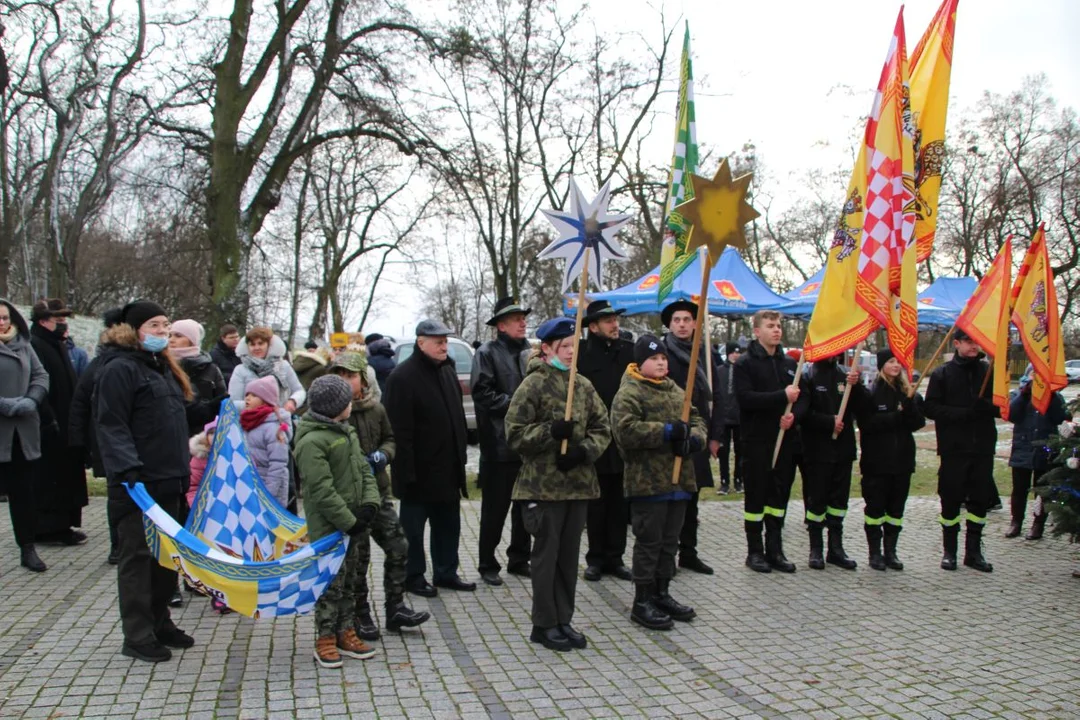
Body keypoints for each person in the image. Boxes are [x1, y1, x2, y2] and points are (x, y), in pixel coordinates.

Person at [94, 299, 196, 662]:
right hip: (138, 485)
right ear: (134, 330)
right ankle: (137, 635)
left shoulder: (161, 367)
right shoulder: (120, 369)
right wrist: (128, 470)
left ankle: (160, 622)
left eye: (166, 324)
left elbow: (174, 418)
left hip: (170, 480)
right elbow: (111, 424)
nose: (163, 331)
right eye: (154, 325)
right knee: (137, 559)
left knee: (165, 557)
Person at [505, 317, 610, 652]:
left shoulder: (583, 385)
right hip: (543, 486)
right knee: (546, 558)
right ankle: (544, 622)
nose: (570, 353)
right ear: (547, 348)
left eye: (574, 347)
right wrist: (550, 433)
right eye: (564, 347)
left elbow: (602, 428)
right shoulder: (533, 385)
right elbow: (515, 433)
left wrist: (582, 451)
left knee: (568, 558)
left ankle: (564, 618)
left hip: (577, 484)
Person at [327, 353, 430, 639]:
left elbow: (390, 438)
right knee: (359, 561)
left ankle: (395, 607)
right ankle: (360, 614)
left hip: (379, 493)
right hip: (352, 501)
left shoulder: (376, 409)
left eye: (351, 376)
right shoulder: (331, 414)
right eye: (340, 376)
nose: (346, 382)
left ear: (363, 379)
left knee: (398, 546)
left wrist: (384, 455)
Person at [611, 335, 705, 630]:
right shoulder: (630, 393)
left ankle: (662, 592)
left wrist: (692, 440)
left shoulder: (676, 389)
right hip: (648, 481)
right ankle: (642, 600)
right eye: (654, 359)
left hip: (679, 482)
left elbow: (698, 419)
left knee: (669, 542)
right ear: (641, 363)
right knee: (649, 542)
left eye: (663, 358)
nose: (661, 362)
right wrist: (665, 432)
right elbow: (625, 430)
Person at [293, 374, 381, 668]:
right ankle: (325, 637)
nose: (351, 405)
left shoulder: (346, 432)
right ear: (335, 407)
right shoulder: (312, 442)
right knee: (330, 584)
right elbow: (320, 491)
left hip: (354, 523)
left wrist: (370, 503)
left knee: (350, 581)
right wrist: (348, 521)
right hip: (330, 528)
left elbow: (363, 469)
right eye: (346, 402)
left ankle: (346, 630)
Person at [384, 320, 474, 597]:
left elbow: (457, 418)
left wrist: (461, 457)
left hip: (447, 468)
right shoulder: (402, 377)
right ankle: (413, 577)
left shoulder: (447, 372)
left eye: (445, 341)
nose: (444, 346)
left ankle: (446, 572)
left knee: (448, 525)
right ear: (420, 343)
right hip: (418, 472)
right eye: (438, 341)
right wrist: (405, 473)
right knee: (412, 530)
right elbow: (398, 431)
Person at [734, 309, 809, 574]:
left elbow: (802, 399)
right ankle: (754, 552)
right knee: (756, 497)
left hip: (785, 442)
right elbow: (745, 398)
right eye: (770, 326)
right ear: (757, 331)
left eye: (778, 326)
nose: (776, 330)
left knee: (779, 497)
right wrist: (781, 396)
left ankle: (775, 549)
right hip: (756, 441)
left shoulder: (790, 364)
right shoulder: (744, 364)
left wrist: (794, 418)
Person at [923, 328, 998, 572]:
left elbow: (1001, 406)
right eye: (968, 341)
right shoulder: (942, 373)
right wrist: (962, 413)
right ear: (956, 343)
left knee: (979, 501)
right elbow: (931, 408)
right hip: (954, 448)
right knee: (951, 499)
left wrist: (985, 406)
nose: (974, 345)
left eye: (977, 340)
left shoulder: (988, 371)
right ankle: (949, 552)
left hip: (982, 447)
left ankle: (974, 553)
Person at [472, 297, 533, 586]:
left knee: (526, 507)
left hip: (528, 444)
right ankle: (487, 563)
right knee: (495, 510)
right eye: (516, 318)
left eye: (523, 317)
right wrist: (518, 403)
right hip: (499, 445)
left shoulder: (531, 352)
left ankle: (520, 558)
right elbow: (482, 394)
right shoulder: (486, 353)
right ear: (501, 325)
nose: (523, 322)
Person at [659, 300, 723, 575]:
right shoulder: (662, 353)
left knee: (692, 498)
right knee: (669, 499)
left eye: (687, 319)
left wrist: (715, 435)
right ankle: (666, 556)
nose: (682, 324)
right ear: (670, 325)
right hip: (672, 434)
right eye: (677, 320)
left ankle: (689, 553)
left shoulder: (705, 353)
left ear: (696, 324)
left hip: (697, 434)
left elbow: (717, 397)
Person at [576, 299, 634, 582]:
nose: (615, 324)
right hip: (594, 437)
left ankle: (616, 557)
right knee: (596, 503)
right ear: (594, 326)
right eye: (608, 320)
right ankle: (595, 558)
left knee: (619, 503)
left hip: (622, 437)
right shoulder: (581, 356)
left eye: (616, 319)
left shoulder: (628, 352)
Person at [856, 349, 926, 570]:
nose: (896, 366)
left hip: (902, 460)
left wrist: (910, 408)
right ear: (881, 365)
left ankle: (891, 551)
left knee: (896, 510)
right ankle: (874, 553)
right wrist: (896, 417)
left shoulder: (907, 391)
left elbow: (917, 423)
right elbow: (867, 424)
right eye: (891, 361)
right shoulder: (872, 392)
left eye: (899, 362)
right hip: (877, 461)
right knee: (875, 509)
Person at [799, 351, 866, 570]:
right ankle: (815, 549)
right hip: (818, 450)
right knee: (817, 500)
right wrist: (829, 422)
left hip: (843, 449)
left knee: (839, 501)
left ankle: (835, 549)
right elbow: (803, 414)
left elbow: (863, 409)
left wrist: (857, 386)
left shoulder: (846, 375)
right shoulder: (808, 375)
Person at [29, 298, 88, 545]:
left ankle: (64, 523)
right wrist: (48, 417)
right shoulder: (36, 345)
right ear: (43, 322)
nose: (64, 325)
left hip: (66, 423)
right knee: (50, 479)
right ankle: (49, 528)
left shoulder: (57, 345)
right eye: (59, 321)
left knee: (66, 475)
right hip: (48, 424)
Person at [69, 307, 125, 564]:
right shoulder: (102, 363)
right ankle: (118, 545)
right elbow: (80, 402)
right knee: (118, 496)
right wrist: (78, 442)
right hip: (113, 444)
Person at [0, 299, 50, 573]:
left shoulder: (23, 345)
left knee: (24, 494)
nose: (2, 322)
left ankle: (28, 548)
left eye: (6, 317)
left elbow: (41, 376)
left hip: (23, 432)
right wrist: (5, 404)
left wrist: (32, 400)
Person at [1006, 375, 1069, 540]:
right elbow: (1011, 415)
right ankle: (1016, 522)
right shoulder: (1018, 395)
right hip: (1022, 449)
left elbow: (1062, 417)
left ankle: (1038, 524)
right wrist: (1024, 395)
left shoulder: (1055, 397)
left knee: (1041, 491)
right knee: (1019, 489)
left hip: (1045, 451)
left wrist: (1052, 396)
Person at [240, 376, 293, 508]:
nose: (247, 398)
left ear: (266, 400)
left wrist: (268, 495)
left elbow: (278, 464)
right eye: (247, 395)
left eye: (253, 395)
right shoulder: (247, 422)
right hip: (251, 486)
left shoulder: (273, 428)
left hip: (269, 491)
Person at [169, 319, 228, 435]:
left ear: (192, 340)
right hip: (170, 433)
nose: (171, 340)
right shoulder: (162, 365)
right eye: (170, 335)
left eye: (178, 336)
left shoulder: (211, 369)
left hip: (202, 436)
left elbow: (221, 403)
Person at [227, 327, 305, 413]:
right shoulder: (240, 370)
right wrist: (257, 406)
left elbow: (299, 390)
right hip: (250, 422)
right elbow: (233, 402)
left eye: (261, 343)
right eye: (252, 344)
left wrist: (293, 401)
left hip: (281, 419)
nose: (257, 348)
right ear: (247, 347)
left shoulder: (283, 366)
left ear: (269, 345)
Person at [715, 342, 743, 494]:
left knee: (740, 450)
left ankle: (739, 480)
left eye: (738, 353)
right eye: (733, 352)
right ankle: (724, 482)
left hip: (739, 418)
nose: (736, 355)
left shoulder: (744, 371)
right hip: (724, 418)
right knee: (723, 451)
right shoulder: (719, 371)